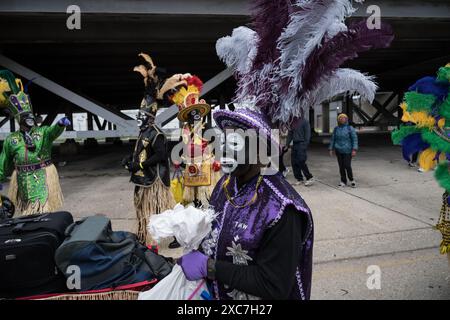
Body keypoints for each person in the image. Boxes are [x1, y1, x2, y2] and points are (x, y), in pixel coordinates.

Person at [178, 108, 314, 300]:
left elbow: (273, 284)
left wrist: (208, 267)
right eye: (222, 142)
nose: (222, 150)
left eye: (233, 143)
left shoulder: (282, 208)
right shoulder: (225, 184)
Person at [122, 53, 181, 245]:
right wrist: (129, 160)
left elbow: (161, 156)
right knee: (141, 208)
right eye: (138, 115)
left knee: (162, 209)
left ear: (149, 117)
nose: (138, 119)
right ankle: (142, 236)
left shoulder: (156, 133)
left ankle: (177, 237)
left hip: (154, 179)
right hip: (142, 178)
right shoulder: (143, 133)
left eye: (141, 116)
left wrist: (139, 164)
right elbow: (141, 151)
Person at [0, 70, 71, 215]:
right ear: (20, 120)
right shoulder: (12, 139)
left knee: (43, 211)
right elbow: (5, 162)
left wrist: (60, 124)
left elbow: (52, 132)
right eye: (26, 118)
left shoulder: (42, 132)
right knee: (27, 212)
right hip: (22, 179)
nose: (30, 120)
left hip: (42, 175)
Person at [329, 113, 358, 188]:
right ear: (338, 120)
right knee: (341, 166)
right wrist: (331, 149)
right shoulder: (336, 129)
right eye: (340, 118)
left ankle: (352, 180)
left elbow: (354, 139)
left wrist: (354, 149)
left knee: (347, 165)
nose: (342, 119)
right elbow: (333, 139)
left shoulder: (350, 128)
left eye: (343, 118)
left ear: (346, 119)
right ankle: (343, 181)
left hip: (347, 150)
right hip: (338, 150)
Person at [286, 118, 314, 186]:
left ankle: (309, 177)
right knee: (294, 162)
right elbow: (290, 134)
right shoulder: (292, 122)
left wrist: (305, 144)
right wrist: (287, 144)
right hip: (294, 144)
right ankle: (299, 179)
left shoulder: (305, 122)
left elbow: (307, 134)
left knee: (301, 160)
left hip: (302, 143)